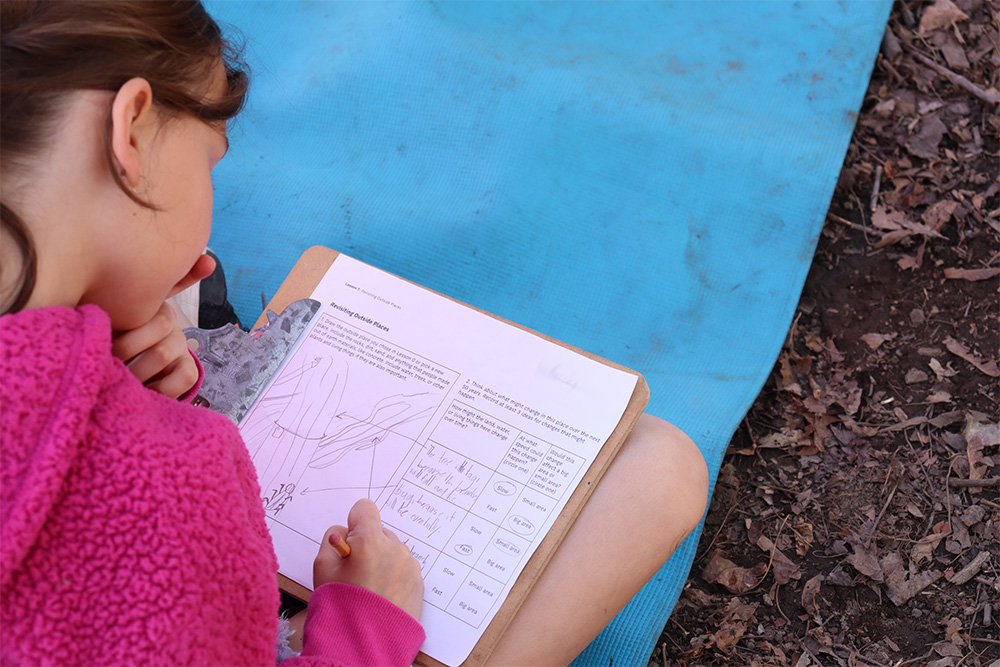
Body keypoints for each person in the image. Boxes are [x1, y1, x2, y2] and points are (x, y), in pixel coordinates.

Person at [0, 1, 709, 665]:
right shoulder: (172, 486)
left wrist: (111, 366)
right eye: (211, 165)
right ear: (131, 129)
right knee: (663, 468)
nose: (200, 259)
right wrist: (364, 623)